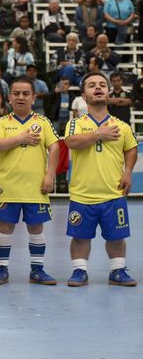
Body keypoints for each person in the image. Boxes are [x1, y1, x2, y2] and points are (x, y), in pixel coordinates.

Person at [64, 72, 138, 287]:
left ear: (108, 92)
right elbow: (71, 142)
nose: (98, 88)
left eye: (102, 85)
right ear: (84, 96)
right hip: (83, 194)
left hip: (112, 193)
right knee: (80, 237)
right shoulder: (75, 123)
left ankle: (117, 271)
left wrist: (127, 173)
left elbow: (131, 149)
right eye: (92, 85)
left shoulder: (121, 126)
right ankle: (79, 271)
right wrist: (99, 134)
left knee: (116, 236)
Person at [0, 77, 60, 285]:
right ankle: (1, 269)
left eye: (25, 93)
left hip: (36, 187)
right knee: (5, 228)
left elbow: (55, 147)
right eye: (16, 93)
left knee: (36, 228)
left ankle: (37, 270)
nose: (21, 97)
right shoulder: (2, 122)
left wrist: (50, 175)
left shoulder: (43, 122)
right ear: (9, 97)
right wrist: (21, 138)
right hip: (8, 186)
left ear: (34, 97)